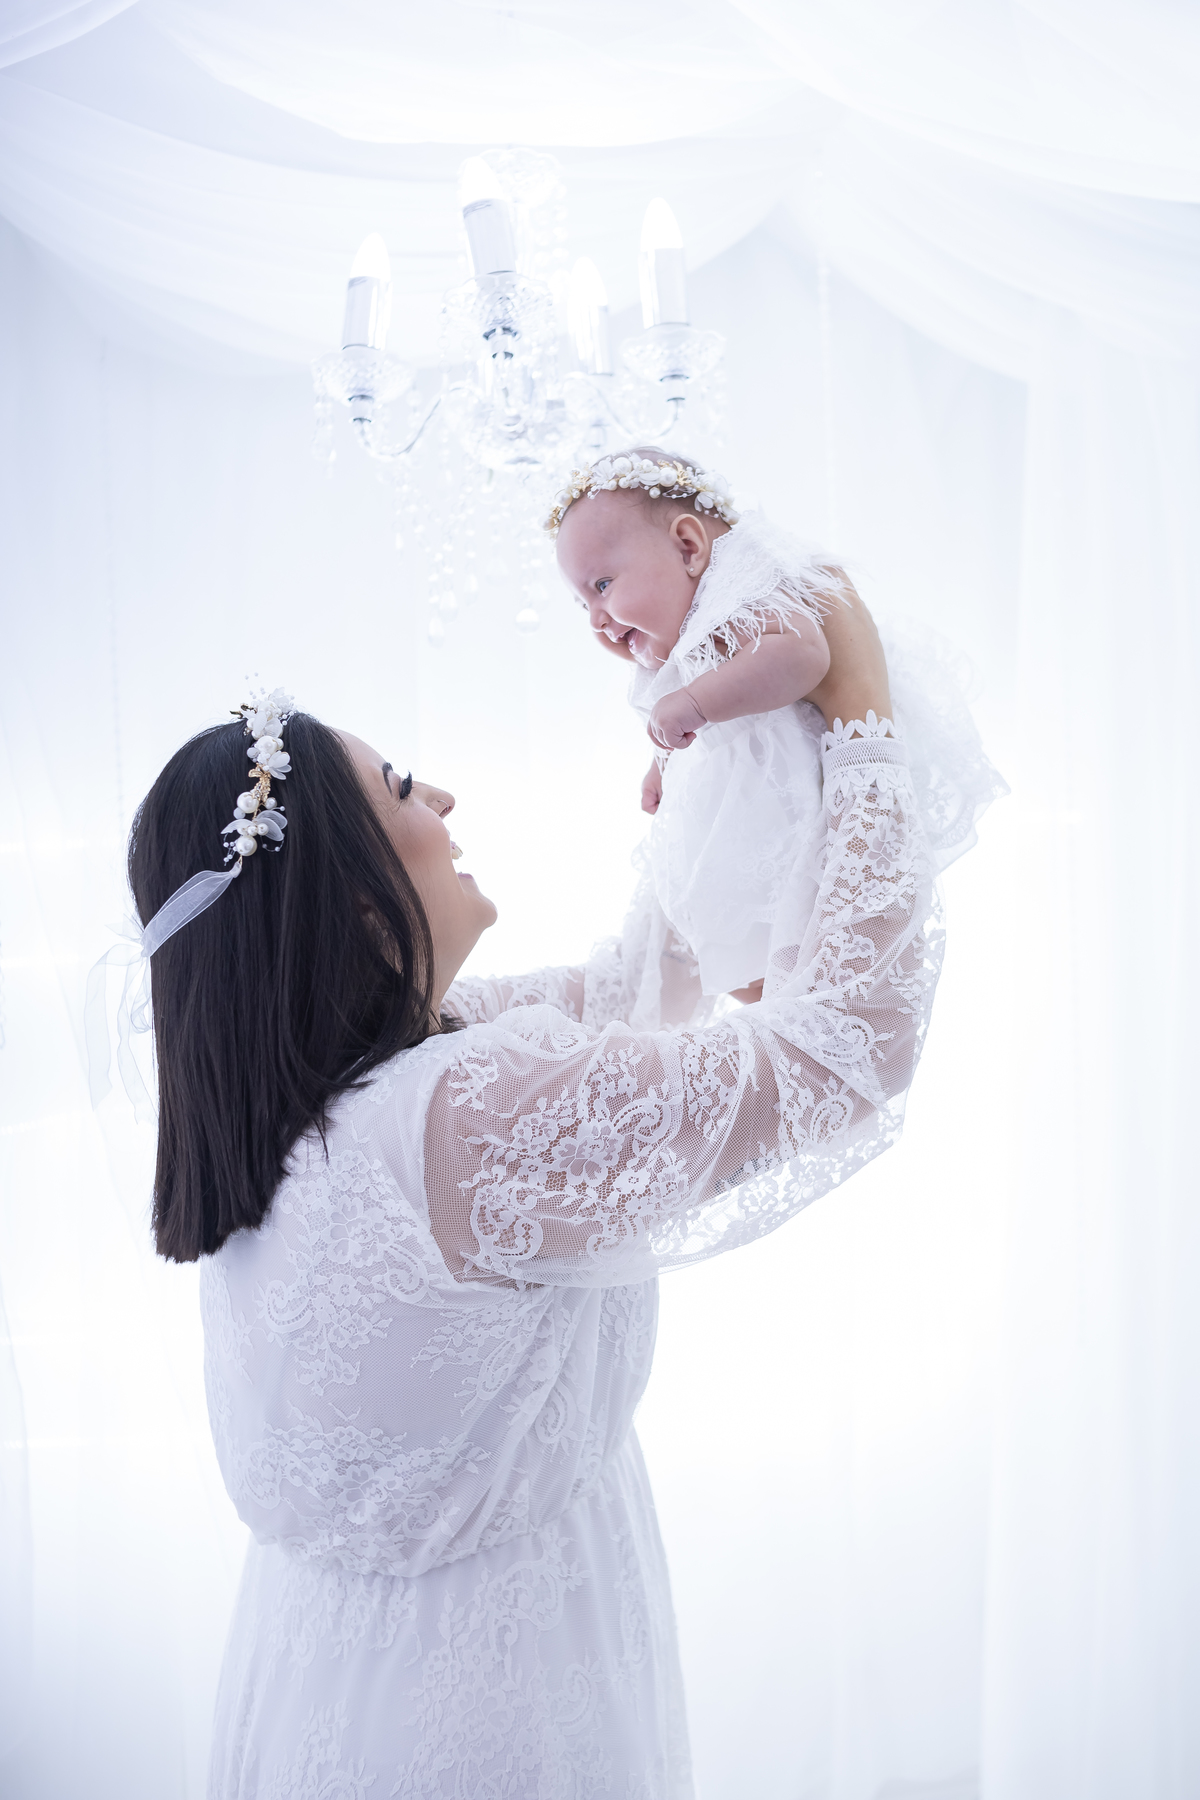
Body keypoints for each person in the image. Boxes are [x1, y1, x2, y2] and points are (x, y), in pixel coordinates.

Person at [127, 592, 935, 1796]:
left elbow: (631, 991)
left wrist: (713, 782)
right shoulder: (463, 1106)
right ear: (349, 896)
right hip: (495, 1702)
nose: (442, 801)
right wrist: (865, 720)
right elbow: (847, 1053)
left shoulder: (331, 1095)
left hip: (323, 1670)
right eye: (402, 789)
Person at [551, 447, 1004, 1024]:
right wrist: (662, 759)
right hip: (759, 820)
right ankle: (785, 1021)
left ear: (689, 546)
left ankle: (801, 1023)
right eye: (582, 600)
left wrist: (690, 706)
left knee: (805, 942)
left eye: (603, 583)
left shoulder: (747, 577)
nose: (595, 616)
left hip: (818, 801)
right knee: (755, 951)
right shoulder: (689, 625)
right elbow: (692, 714)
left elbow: (800, 654)